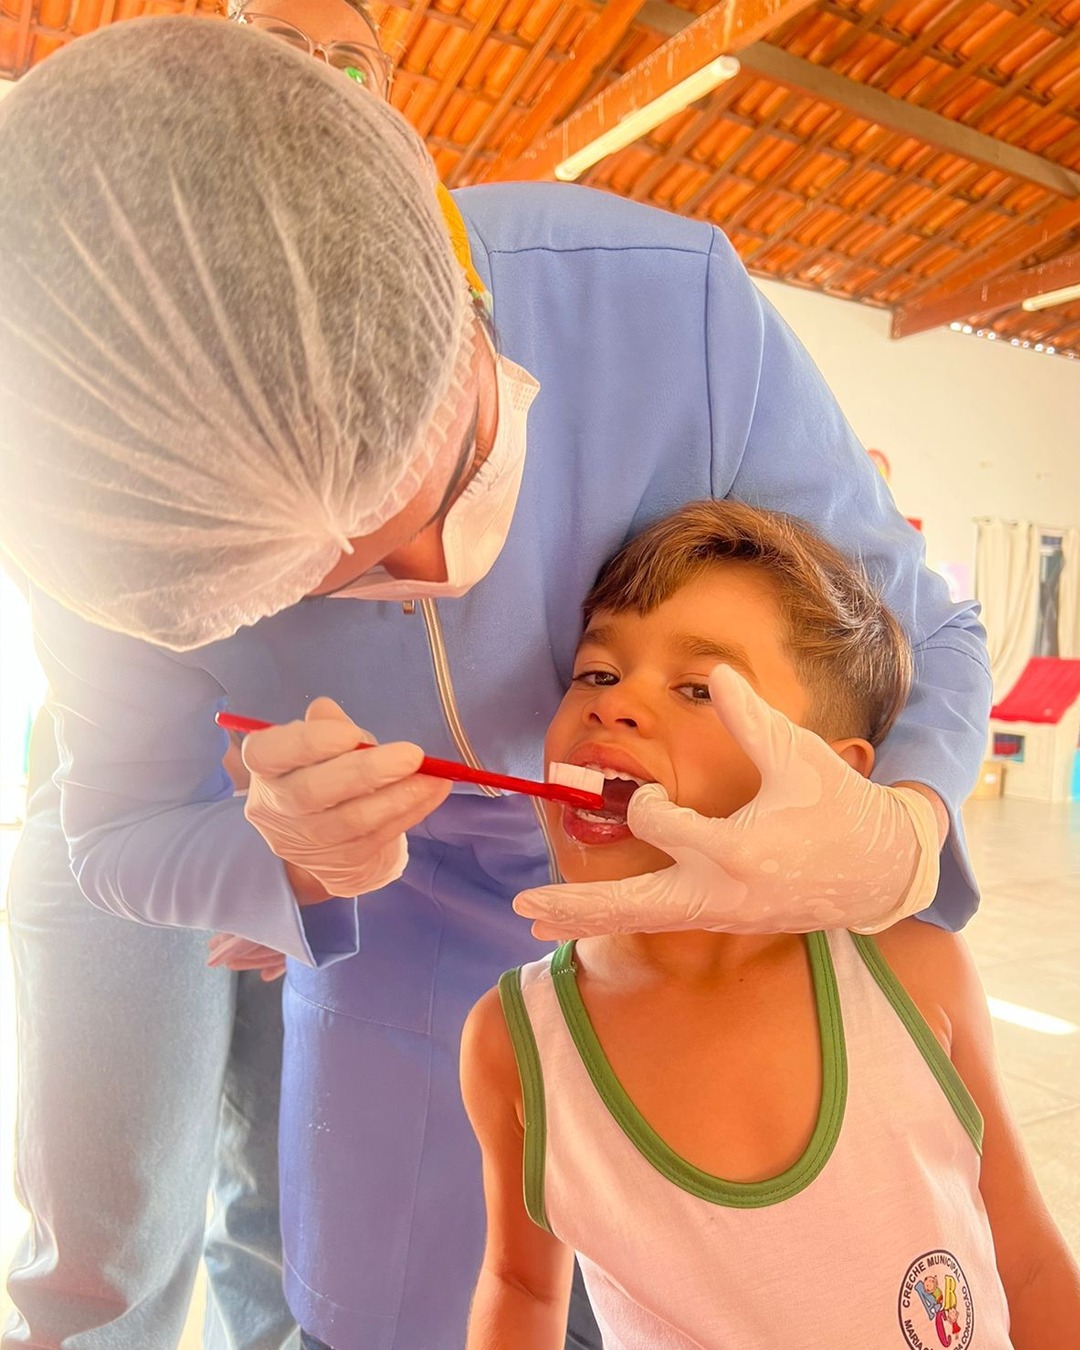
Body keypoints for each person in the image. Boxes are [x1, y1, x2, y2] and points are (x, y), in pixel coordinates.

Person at [0, 17, 992, 1350]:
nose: (437, 568)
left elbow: (924, 637)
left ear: (457, 294)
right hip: (397, 976)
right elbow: (113, 833)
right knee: (382, 1302)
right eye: (336, 578)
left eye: (450, 462)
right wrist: (272, 851)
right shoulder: (114, 520)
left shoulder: (664, 309)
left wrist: (900, 835)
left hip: (704, 939)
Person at [462, 500, 1080, 1348]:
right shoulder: (514, 1042)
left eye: (698, 689)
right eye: (598, 673)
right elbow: (521, 1284)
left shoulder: (911, 971)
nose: (615, 706)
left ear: (829, 778)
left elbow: (1031, 1266)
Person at [0, 5, 389, 1348]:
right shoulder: (109, 270)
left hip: (325, 844)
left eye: (350, 60)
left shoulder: (402, 320)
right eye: (279, 41)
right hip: (117, 823)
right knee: (107, 1262)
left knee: (291, 1228)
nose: (314, 77)